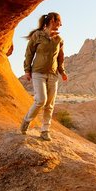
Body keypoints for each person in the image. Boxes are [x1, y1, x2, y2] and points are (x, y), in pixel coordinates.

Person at [20, 12, 68, 141]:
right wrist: (27, 70)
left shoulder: (59, 39)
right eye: (59, 21)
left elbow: (60, 57)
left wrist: (62, 71)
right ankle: (26, 120)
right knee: (41, 100)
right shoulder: (37, 36)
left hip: (53, 74)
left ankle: (45, 130)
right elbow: (29, 53)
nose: (61, 24)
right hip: (38, 73)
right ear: (52, 20)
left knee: (50, 104)